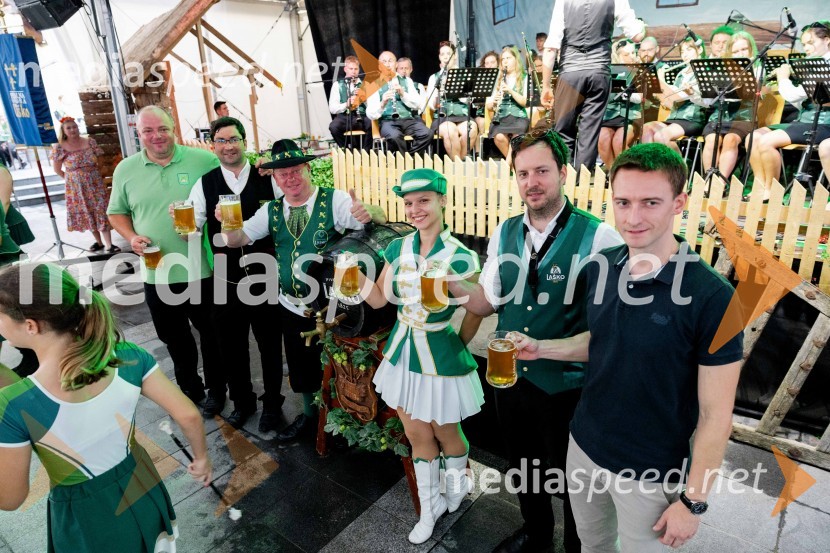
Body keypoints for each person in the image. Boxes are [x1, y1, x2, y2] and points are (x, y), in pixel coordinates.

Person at [510, 143, 744, 552]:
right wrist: (542, 348)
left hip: (650, 470)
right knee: (591, 544)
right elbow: (602, 341)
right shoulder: (602, 266)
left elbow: (716, 415)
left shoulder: (714, 297)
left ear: (679, 203)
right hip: (583, 446)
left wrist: (694, 501)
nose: (633, 217)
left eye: (650, 202)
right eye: (623, 202)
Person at [447, 129, 622, 553]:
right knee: (523, 465)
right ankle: (537, 533)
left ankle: (578, 545)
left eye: (542, 171)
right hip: (510, 380)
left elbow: (613, 330)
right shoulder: (504, 232)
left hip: (569, 386)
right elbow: (487, 301)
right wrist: (447, 281)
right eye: (523, 173)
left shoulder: (600, 237)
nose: (532, 182)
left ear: (563, 172)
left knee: (576, 479)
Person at [0, 262, 213, 552]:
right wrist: (202, 459)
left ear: (30, 326)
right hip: (143, 486)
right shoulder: (129, 356)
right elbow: (188, 415)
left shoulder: (13, 404)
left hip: (87, 517)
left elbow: (10, 498)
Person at [218, 139, 387, 443]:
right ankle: (311, 418)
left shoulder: (333, 200)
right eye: (283, 174)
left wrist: (368, 211)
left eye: (296, 170)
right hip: (291, 304)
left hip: (333, 306)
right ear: (275, 177)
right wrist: (227, 224)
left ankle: (346, 421)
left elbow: (379, 216)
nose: (290, 178)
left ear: (308, 169)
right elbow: (236, 240)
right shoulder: (270, 210)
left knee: (342, 366)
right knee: (301, 368)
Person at [358, 168, 484, 544]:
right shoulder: (397, 248)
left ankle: (456, 488)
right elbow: (379, 299)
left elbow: (476, 310)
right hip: (402, 352)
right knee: (416, 433)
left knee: (447, 432)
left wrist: (458, 344)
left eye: (424, 200)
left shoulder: (462, 256)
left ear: (442, 200)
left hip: (440, 352)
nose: (415, 210)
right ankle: (430, 509)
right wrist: (353, 279)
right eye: (409, 203)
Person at [108, 106, 222, 408]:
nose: (156, 136)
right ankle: (190, 388)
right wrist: (131, 237)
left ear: (174, 129)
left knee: (212, 335)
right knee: (174, 337)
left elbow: (232, 183)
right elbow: (116, 212)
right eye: (148, 131)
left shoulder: (204, 160)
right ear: (138, 134)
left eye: (162, 129)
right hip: (157, 272)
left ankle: (217, 390)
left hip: (202, 269)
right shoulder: (126, 169)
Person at [186, 117, 285, 430]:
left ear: (245, 142)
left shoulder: (266, 177)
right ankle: (243, 402)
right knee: (231, 346)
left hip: (265, 274)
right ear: (213, 146)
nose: (228, 146)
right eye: (222, 140)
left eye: (234, 139)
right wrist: (184, 224)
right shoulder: (205, 184)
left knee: (270, 344)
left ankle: (272, 403)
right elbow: (191, 227)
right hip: (225, 279)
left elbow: (288, 212)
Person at [542, 0, 645, 172]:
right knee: (589, 133)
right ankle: (580, 181)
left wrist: (546, 86)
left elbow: (551, 47)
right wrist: (641, 26)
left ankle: (563, 179)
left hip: (570, 73)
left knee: (563, 130)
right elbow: (637, 35)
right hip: (598, 72)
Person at [748, 22, 830, 201]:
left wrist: (783, 78)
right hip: (805, 120)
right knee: (752, 138)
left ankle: (772, 191)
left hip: (824, 123)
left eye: (811, 43)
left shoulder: (823, 65)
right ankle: (760, 185)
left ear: (827, 40)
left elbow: (794, 95)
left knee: (766, 141)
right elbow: (801, 99)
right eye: (804, 44)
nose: (806, 48)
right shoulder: (812, 63)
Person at [52, 117, 119, 253]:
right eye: (69, 128)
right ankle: (99, 242)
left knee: (100, 209)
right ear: (63, 131)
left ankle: (109, 244)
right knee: (87, 211)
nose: (73, 130)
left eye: (74, 127)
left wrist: (95, 173)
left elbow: (100, 159)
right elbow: (57, 169)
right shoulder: (59, 147)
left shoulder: (90, 141)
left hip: (95, 183)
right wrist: (72, 180)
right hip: (76, 187)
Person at [701, 32, 759, 184]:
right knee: (712, 140)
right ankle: (708, 180)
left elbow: (750, 95)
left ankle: (720, 183)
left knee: (730, 139)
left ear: (751, 50)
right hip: (721, 116)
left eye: (744, 49)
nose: (740, 54)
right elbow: (708, 100)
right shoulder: (723, 70)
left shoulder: (758, 69)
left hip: (744, 117)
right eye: (735, 51)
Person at [0, 161, 37, 377]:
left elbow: (3, 203)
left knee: (13, 303)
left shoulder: (1, 171)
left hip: (4, 241)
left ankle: (32, 354)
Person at [641, 36, 707, 153]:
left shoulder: (703, 72)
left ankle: (679, 164)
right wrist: (659, 94)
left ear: (700, 50)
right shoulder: (681, 74)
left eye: (689, 50)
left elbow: (680, 98)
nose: (685, 55)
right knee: (646, 129)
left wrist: (661, 80)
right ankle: (652, 163)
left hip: (691, 119)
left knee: (661, 136)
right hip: (674, 118)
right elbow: (672, 103)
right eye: (682, 51)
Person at [366, 51, 432, 154]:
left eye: (390, 61)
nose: (387, 65)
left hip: (408, 120)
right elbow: (370, 114)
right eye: (384, 62)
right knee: (394, 136)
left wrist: (403, 94)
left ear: (396, 64)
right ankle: (407, 160)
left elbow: (418, 104)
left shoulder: (407, 81)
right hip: (388, 122)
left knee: (427, 133)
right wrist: (382, 103)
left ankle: (409, 157)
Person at [424, 41, 477, 160]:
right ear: (439, 57)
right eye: (442, 54)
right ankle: (459, 164)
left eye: (448, 53)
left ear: (455, 55)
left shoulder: (464, 74)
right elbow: (432, 105)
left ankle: (459, 163)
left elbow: (470, 99)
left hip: (462, 115)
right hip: (443, 117)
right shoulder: (434, 77)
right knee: (450, 130)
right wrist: (439, 93)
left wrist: (457, 89)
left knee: (471, 129)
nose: (446, 57)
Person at [598, 39, 643, 166]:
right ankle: (613, 172)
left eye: (633, 53)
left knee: (619, 142)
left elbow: (642, 98)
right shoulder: (610, 72)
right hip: (609, 115)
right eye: (626, 54)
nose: (631, 57)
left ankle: (629, 172)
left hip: (630, 116)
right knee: (602, 139)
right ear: (618, 56)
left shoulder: (640, 71)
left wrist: (625, 94)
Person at [487, 46, 529, 159]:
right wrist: (494, 101)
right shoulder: (498, 79)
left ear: (516, 60)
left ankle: (508, 165)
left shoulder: (524, 77)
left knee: (517, 137)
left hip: (518, 116)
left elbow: (524, 102)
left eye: (508, 58)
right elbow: (489, 106)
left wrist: (510, 91)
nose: (505, 61)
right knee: (499, 137)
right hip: (502, 117)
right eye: (503, 59)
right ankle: (515, 164)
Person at [328, 55, 372, 150]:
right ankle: (346, 150)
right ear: (345, 69)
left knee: (372, 124)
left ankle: (366, 152)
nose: (353, 71)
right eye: (351, 69)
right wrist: (346, 104)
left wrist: (364, 99)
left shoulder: (365, 85)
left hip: (362, 116)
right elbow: (332, 109)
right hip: (345, 116)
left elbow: (374, 106)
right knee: (333, 127)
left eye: (356, 69)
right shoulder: (337, 85)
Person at [475, 50, 501, 144]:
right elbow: (476, 101)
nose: (490, 65)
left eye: (492, 62)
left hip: (499, 110)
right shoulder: (480, 79)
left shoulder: (502, 76)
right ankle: (480, 151)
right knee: (482, 123)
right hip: (482, 112)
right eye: (487, 63)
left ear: (498, 63)